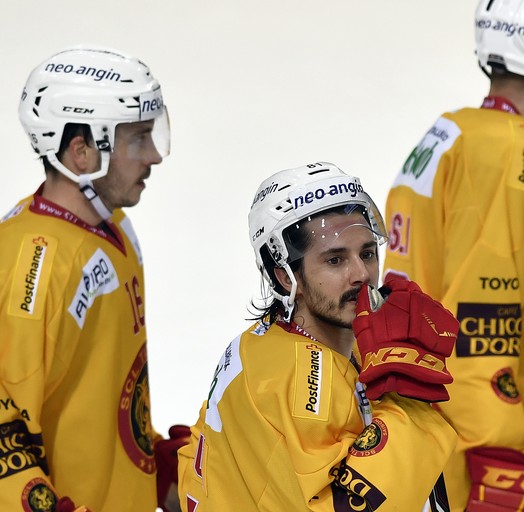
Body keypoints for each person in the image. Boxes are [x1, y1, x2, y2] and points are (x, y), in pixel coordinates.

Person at [382, 0, 524, 509]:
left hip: (420, 427)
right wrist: (497, 452)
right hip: (507, 446)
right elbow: (482, 320)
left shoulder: (446, 134)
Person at [177, 162, 459, 510]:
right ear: (284, 276)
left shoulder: (263, 343)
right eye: (335, 260)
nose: (362, 274)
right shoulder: (298, 375)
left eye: (367, 253)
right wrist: (409, 401)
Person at [0, 46, 186, 511]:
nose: (154, 157)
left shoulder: (114, 226)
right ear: (82, 152)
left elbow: (104, 391)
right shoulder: (31, 266)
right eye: (138, 139)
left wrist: (157, 468)